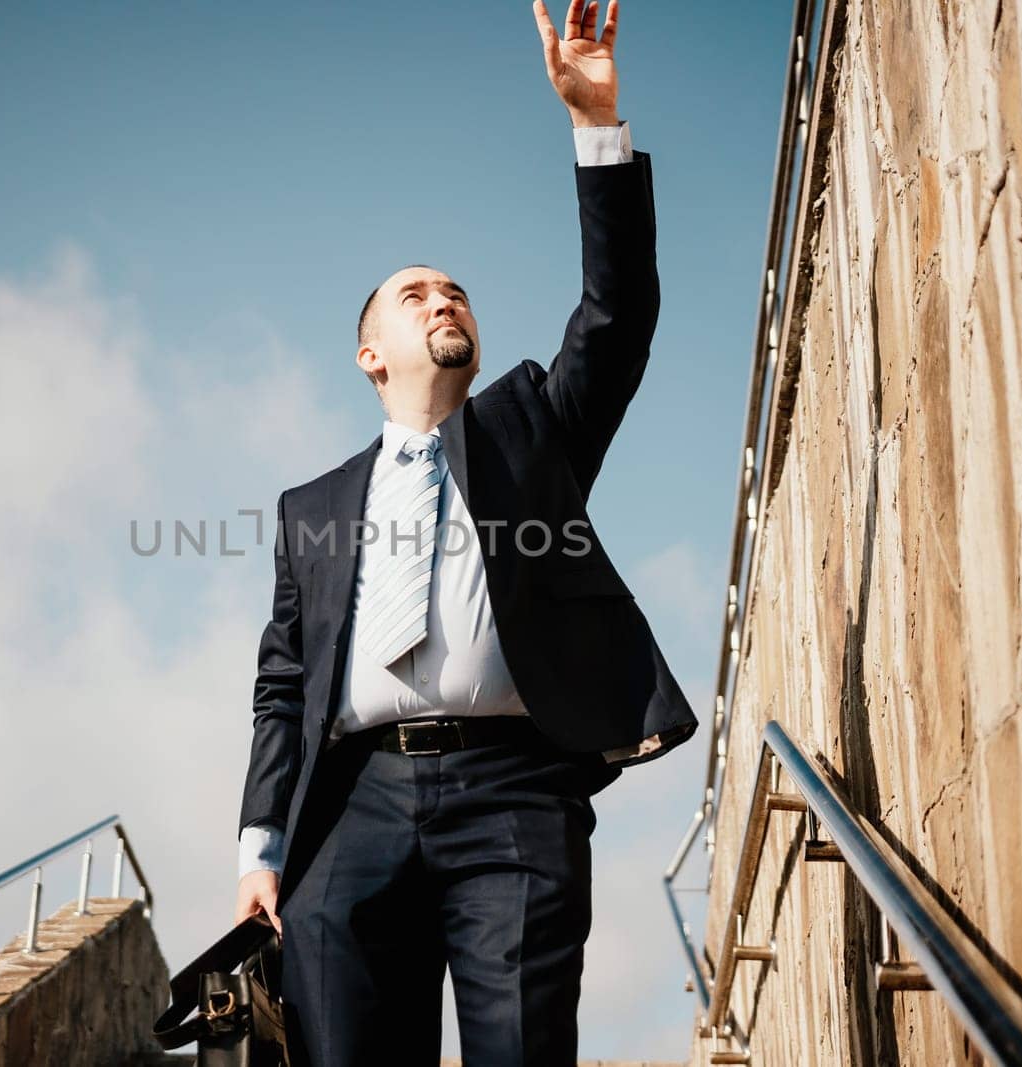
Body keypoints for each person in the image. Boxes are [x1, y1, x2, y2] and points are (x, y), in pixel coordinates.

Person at [233, 2, 697, 1062]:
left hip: (511, 793)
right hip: (350, 809)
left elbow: (617, 317)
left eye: (456, 289)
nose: (442, 297)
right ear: (370, 354)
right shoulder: (311, 508)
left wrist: (595, 125)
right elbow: (279, 682)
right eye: (414, 293)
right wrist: (261, 843)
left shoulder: (532, 420)